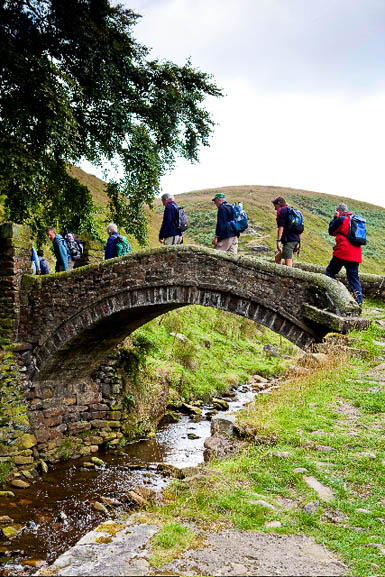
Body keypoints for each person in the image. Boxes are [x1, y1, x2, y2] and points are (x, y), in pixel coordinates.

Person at [325, 203, 363, 305]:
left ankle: (334, 294)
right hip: (356, 254)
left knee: (330, 271)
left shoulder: (342, 219)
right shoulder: (356, 220)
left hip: (343, 252)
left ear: (339, 211)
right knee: (353, 277)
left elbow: (331, 231)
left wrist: (334, 218)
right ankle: (359, 301)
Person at [271, 196, 301, 267]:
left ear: (279, 203)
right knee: (277, 258)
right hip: (295, 240)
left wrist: (278, 241)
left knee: (288, 267)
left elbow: (281, 227)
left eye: (275, 206)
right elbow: (299, 228)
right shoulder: (293, 211)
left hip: (289, 241)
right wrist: (298, 243)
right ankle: (280, 276)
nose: (275, 208)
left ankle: (290, 278)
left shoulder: (282, 211)